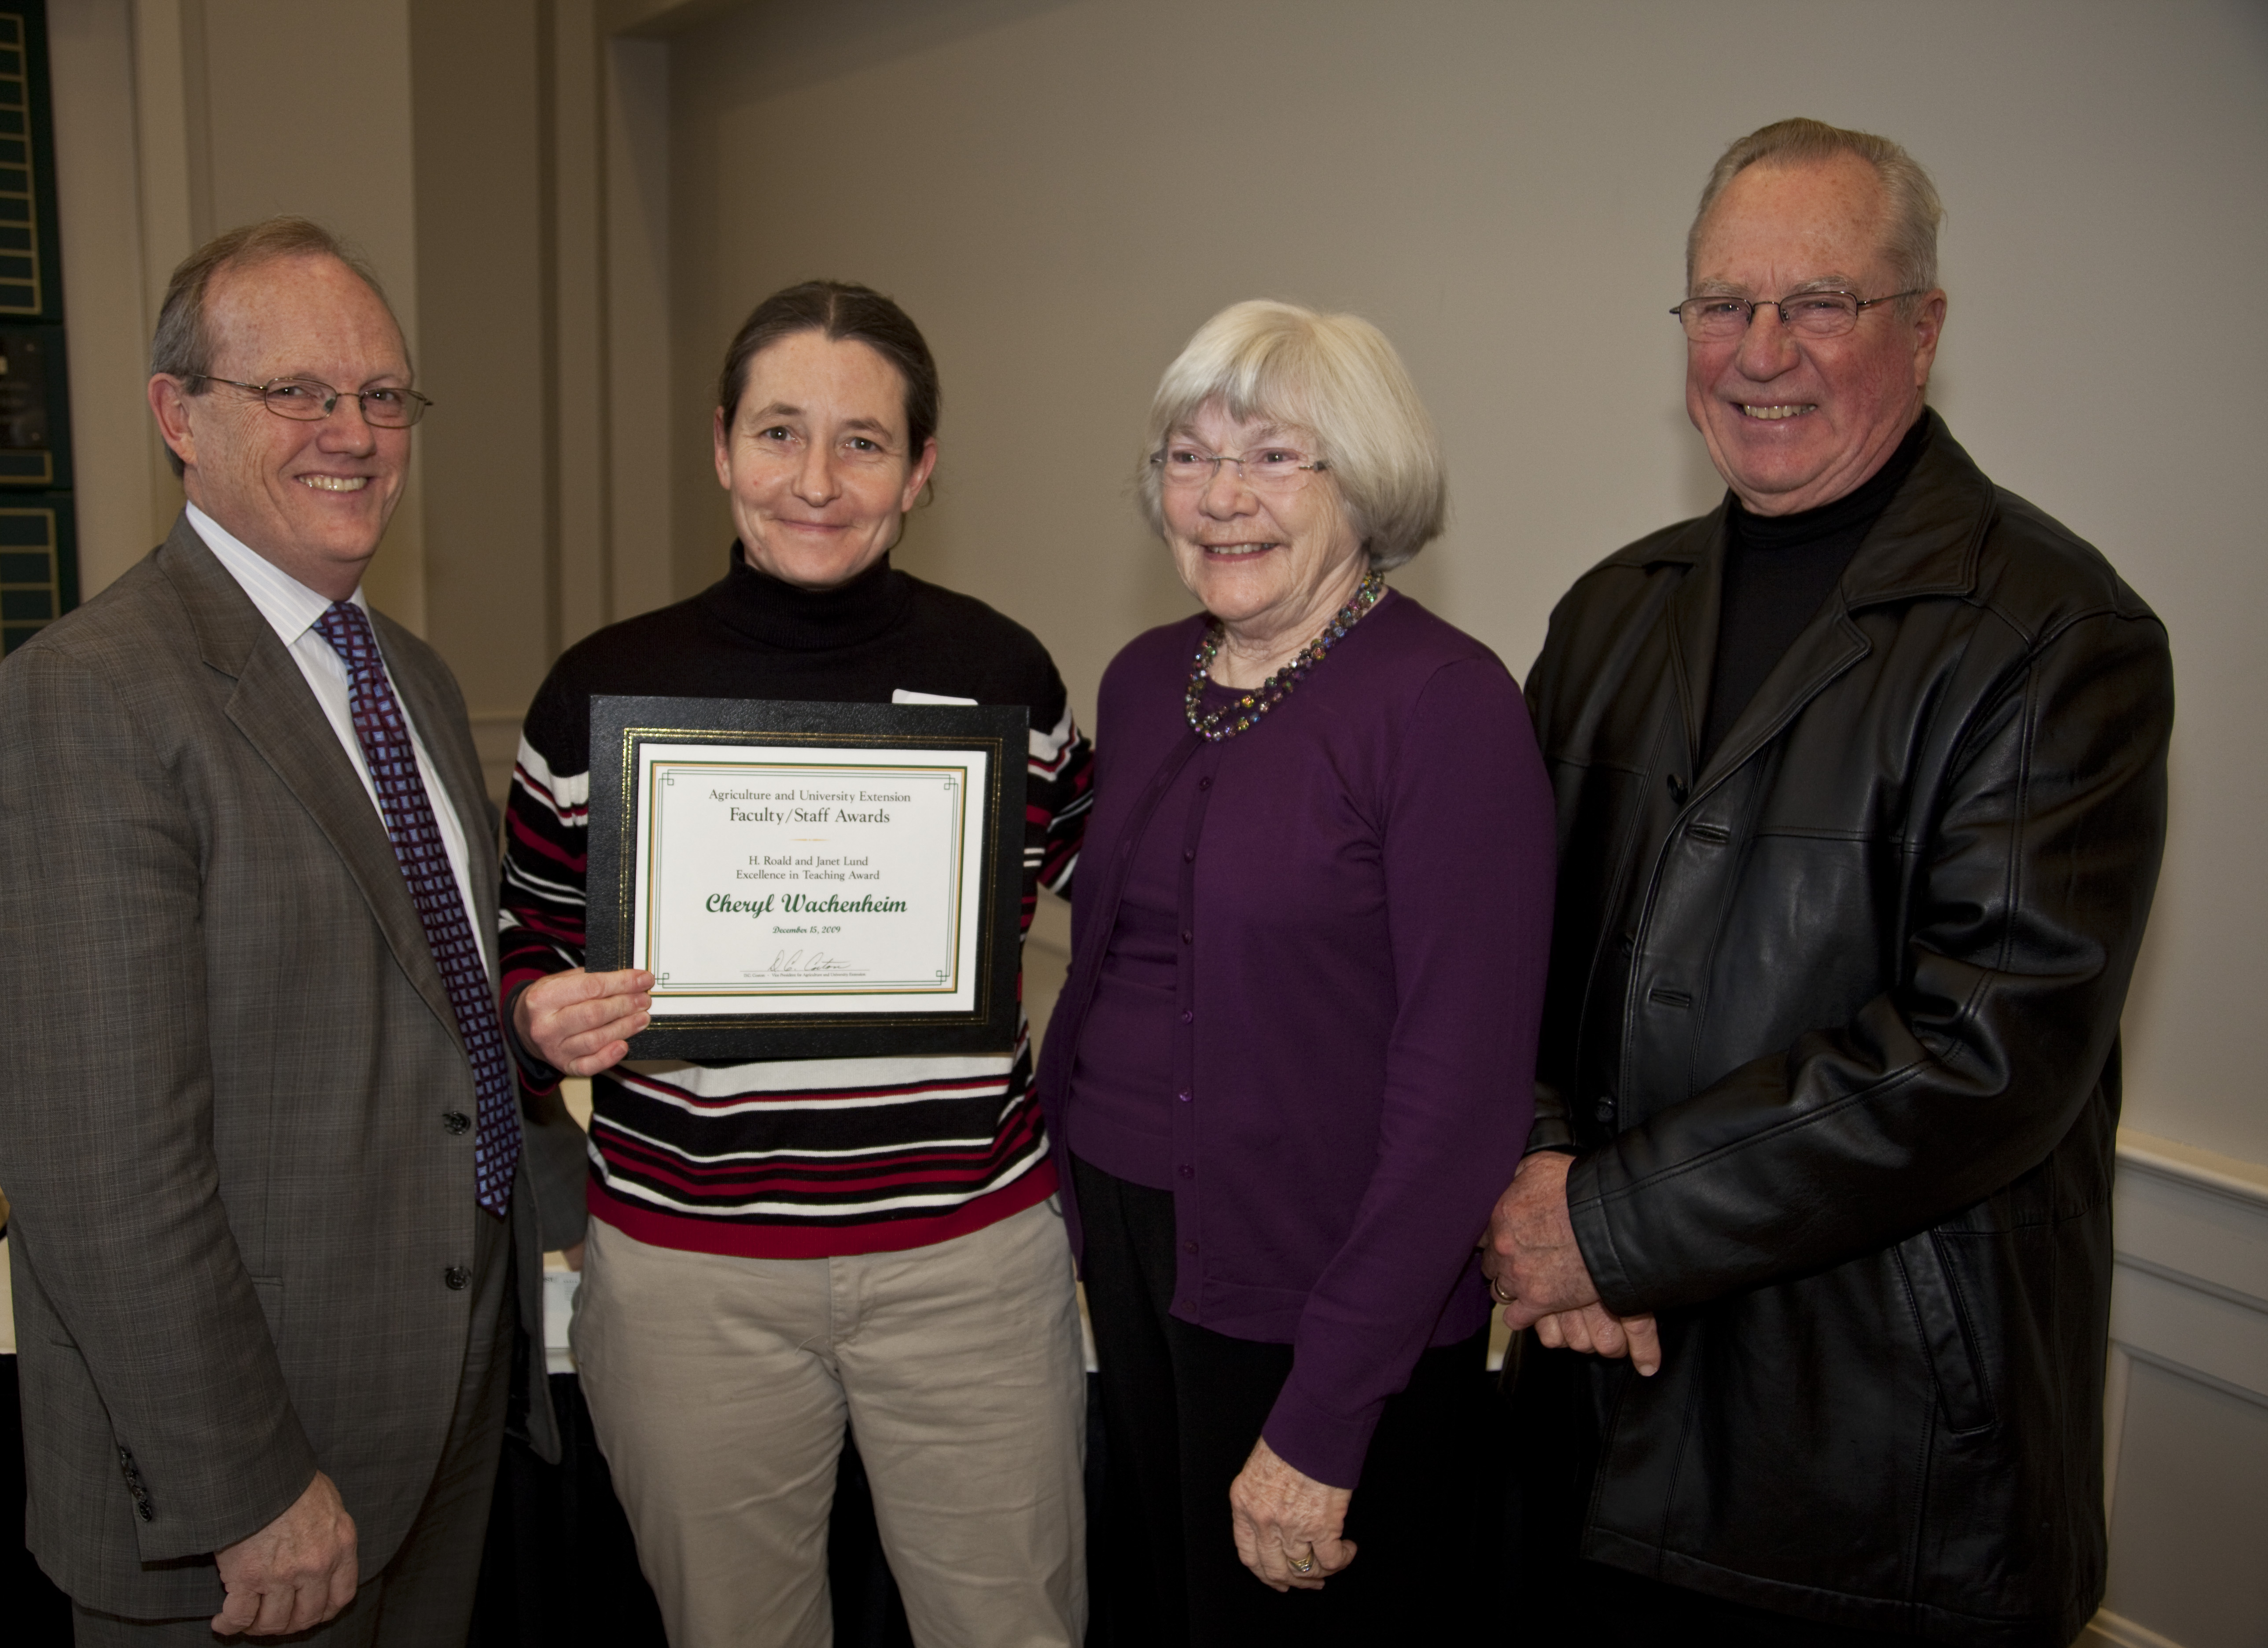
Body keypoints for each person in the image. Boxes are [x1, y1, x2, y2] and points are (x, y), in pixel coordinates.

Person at [1482, 118, 2172, 1647]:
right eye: (1723, 305)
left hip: (1875, 1469)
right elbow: (1499, 949)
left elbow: (1984, 1051)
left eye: (1822, 303)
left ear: (1922, 330)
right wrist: (1547, 1177)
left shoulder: (2060, 636)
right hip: (1592, 1412)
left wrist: (1611, 1222)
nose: (1761, 351)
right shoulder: (1609, 614)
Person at [0, 218, 574, 1644]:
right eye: (297, 392)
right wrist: (245, 1484)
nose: (351, 432)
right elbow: (103, 1169)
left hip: (441, 1407)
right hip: (249, 1489)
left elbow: (430, 1007)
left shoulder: (399, 670)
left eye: (382, 395)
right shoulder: (86, 703)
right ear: (181, 416)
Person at [497, 280, 1094, 1648]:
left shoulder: (1007, 676)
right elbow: (521, 944)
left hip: (969, 1263)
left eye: (864, 441)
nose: (816, 480)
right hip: (693, 1273)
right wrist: (541, 1016)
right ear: (720, 447)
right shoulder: (599, 693)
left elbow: (1125, 917)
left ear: (923, 468)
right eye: (779, 433)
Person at [1031, 300, 1555, 1643]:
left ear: (1366, 482)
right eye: (1189, 458)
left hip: (1327, 1300)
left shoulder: (1446, 708)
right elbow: (1119, 963)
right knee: (1168, 1606)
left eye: (1273, 457)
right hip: (1137, 1260)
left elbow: (1464, 1108)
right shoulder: (1150, 678)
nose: (1220, 498)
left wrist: (1326, 1415)